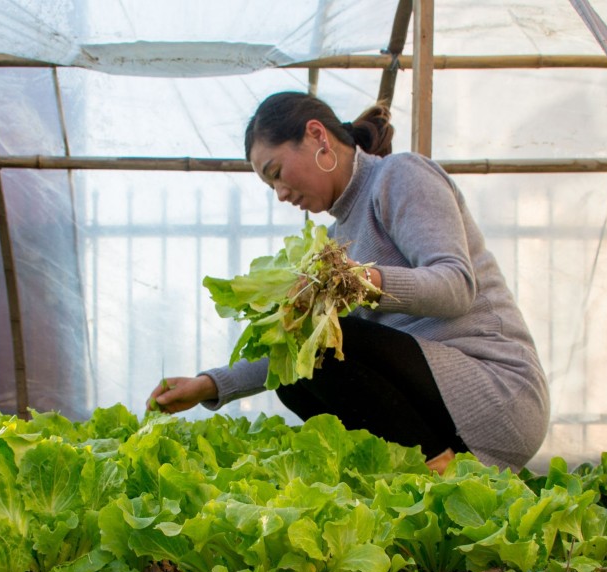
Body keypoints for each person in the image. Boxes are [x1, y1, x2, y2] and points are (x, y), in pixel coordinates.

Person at [146, 91, 549, 471]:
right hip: (438, 409)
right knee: (295, 375)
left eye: (277, 174)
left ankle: (432, 469)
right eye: (271, 186)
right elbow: (293, 351)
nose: (281, 194)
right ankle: (432, 472)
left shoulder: (399, 176)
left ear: (317, 135)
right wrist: (208, 385)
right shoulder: (339, 239)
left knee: (323, 350)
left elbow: (456, 285)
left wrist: (360, 280)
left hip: (499, 395)